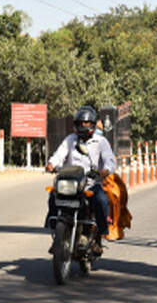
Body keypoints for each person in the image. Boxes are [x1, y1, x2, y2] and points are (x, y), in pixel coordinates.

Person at [45, 105, 117, 255]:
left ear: (92, 124)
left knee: (101, 200)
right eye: (80, 123)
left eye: (86, 123)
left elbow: (110, 160)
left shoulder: (100, 142)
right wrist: (52, 164)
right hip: (71, 183)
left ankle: (99, 236)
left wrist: (105, 170)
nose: (83, 126)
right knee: (53, 197)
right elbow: (59, 155)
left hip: (90, 183)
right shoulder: (70, 140)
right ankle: (55, 235)